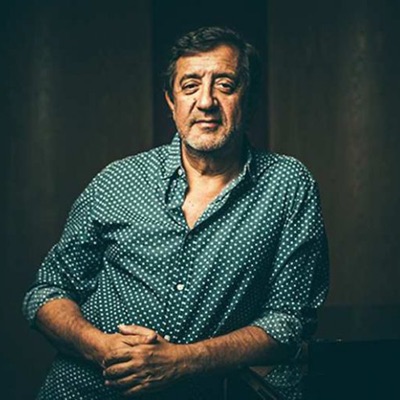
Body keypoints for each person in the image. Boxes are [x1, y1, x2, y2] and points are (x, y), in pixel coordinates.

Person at [23, 26, 329, 399]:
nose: (206, 101)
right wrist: (102, 348)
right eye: (190, 86)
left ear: (249, 100)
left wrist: (183, 361)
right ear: (171, 101)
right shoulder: (117, 180)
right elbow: (48, 291)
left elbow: (289, 322)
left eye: (225, 85)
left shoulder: (288, 185)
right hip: (82, 390)